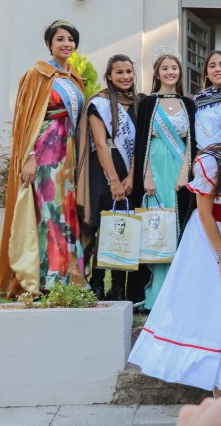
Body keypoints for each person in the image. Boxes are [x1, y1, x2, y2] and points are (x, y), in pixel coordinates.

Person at [129, 103, 221, 414]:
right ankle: (219, 382)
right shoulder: (212, 159)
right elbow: (204, 211)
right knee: (213, 305)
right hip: (208, 239)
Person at [0, 20, 86, 297]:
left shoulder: (73, 77)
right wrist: (29, 157)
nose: (66, 44)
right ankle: (49, 278)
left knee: (70, 212)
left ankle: (73, 277)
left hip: (70, 152)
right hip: (47, 149)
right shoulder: (36, 74)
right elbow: (26, 121)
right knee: (51, 212)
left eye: (70, 39)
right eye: (60, 39)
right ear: (49, 43)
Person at [132, 54, 197, 310]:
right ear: (157, 73)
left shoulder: (188, 104)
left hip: (179, 171)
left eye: (175, 68)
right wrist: (146, 176)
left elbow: (192, 141)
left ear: (179, 73)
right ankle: (153, 296)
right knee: (156, 229)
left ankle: (178, 294)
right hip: (155, 172)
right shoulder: (147, 103)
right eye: (165, 68)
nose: (170, 72)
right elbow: (142, 143)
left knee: (179, 226)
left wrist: (185, 171)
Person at [77, 54, 139, 301]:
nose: (125, 77)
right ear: (109, 76)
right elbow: (101, 144)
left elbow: (139, 144)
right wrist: (114, 180)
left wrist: (132, 175)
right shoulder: (98, 103)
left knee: (125, 227)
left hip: (130, 172)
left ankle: (119, 286)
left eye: (129, 71)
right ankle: (97, 283)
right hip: (103, 170)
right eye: (119, 72)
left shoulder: (139, 102)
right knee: (104, 226)